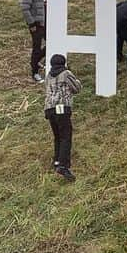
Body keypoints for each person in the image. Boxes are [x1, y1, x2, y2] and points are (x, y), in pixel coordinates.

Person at [44, 54, 81, 182]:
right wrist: (78, 81)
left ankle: (56, 161)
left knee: (58, 136)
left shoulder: (48, 75)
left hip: (49, 109)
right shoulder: (66, 73)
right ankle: (63, 165)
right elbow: (76, 89)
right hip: (61, 108)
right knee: (66, 136)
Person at [19, 0, 49, 83]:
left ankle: (35, 61)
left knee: (51, 43)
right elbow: (25, 8)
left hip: (45, 22)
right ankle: (35, 72)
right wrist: (31, 23)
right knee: (37, 47)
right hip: (36, 24)